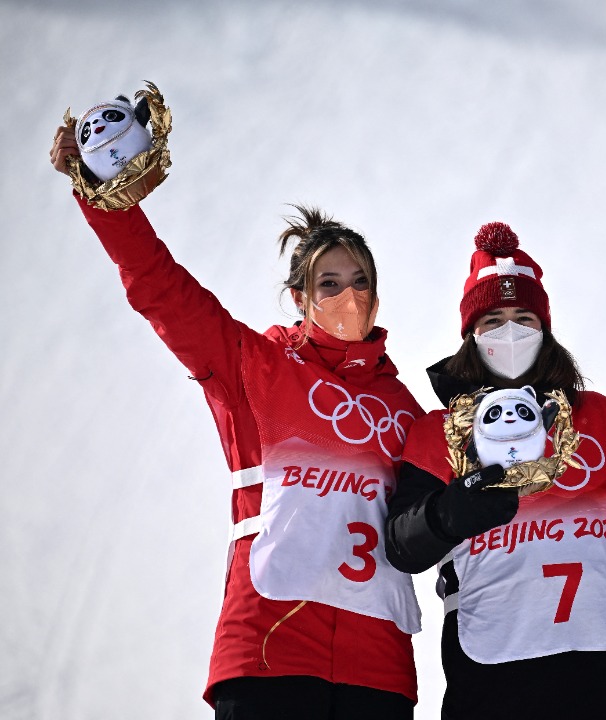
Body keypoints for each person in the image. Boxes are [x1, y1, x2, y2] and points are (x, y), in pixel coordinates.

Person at [50, 125, 424, 719]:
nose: (347, 296)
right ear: (299, 298)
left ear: (377, 300)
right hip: (267, 652)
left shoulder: (407, 410)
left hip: (377, 668)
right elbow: (163, 290)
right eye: (328, 284)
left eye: (360, 284)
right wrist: (105, 203)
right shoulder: (253, 367)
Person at [384, 221, 606, 720]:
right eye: (493, 319)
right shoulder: (438, 432)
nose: (510, 331)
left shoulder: (603, 418)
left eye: (524, 317)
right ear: (470, 335)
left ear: (546, 329)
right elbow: (400, 547)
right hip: (494, 677)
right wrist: (451, 513)